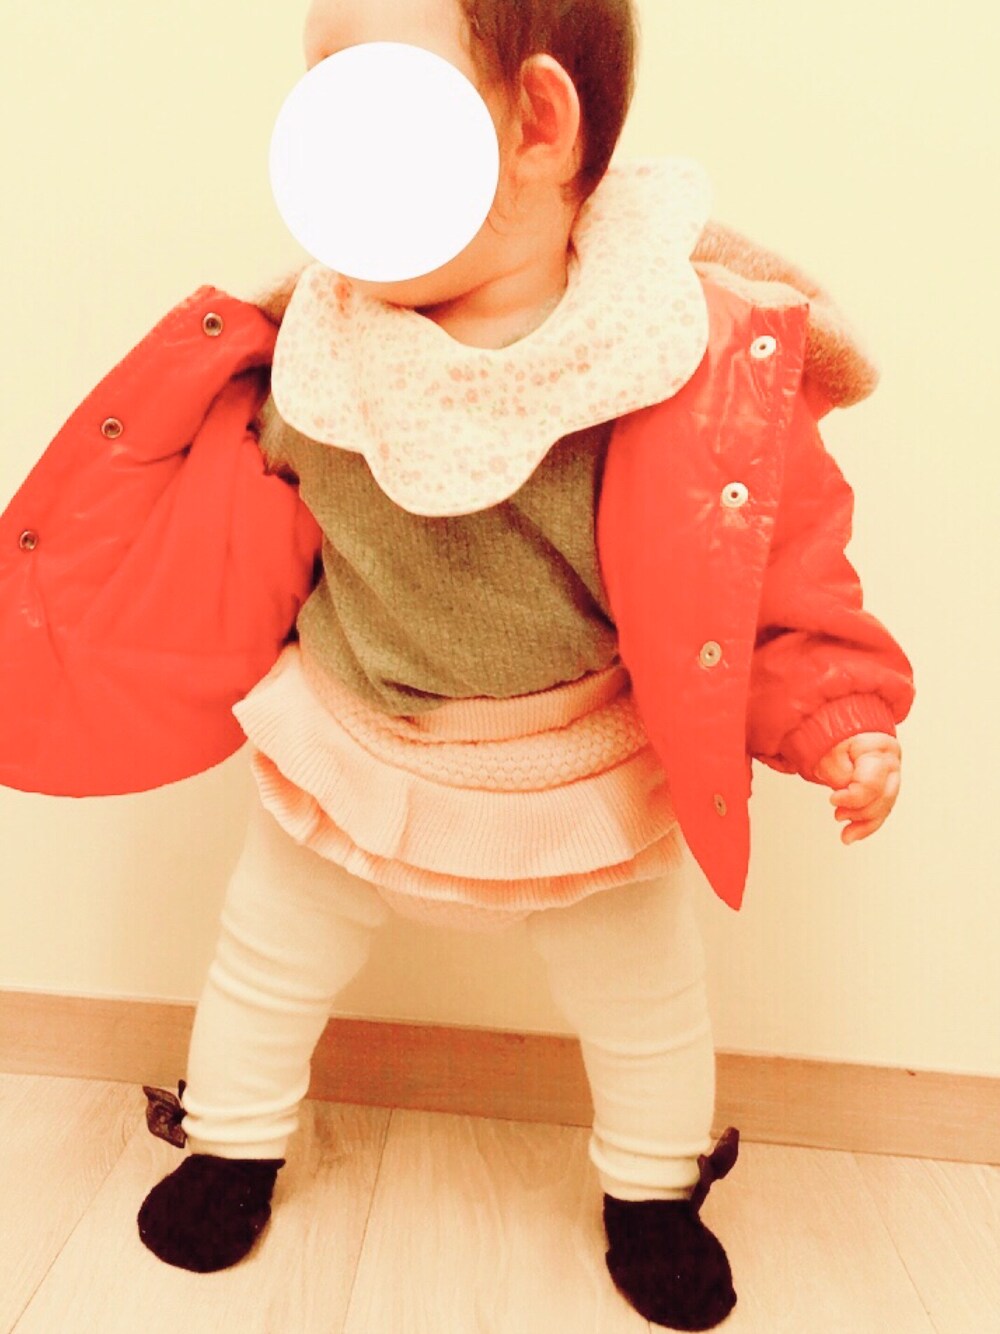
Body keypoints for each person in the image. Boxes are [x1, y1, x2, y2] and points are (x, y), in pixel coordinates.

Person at [133, 1, 915, 1328]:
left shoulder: (668, 343)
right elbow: (223, 511)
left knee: (645, 995)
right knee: (267, 949)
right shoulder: (317, 335)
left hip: (584, 755)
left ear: (538, 123)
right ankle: (232, 1140)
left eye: (369, 105)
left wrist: (836, 706)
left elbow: (773, 553)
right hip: (353, 729)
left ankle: (655, 1188)